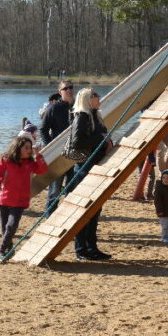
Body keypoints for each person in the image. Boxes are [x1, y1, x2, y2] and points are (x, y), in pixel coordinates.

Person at [67, 88, 112, 260]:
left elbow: (100, 136)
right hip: (84, 169)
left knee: (95, 210)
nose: (99, 97)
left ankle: (92, 248)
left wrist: (106, 139)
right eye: (95, 95)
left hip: (95, 167)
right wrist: (101, 138)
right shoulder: (82, 116)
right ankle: (81, 250)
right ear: (87, 99)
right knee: (84, 211)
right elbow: (78, 142)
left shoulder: (95, 115)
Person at [0, 136, 48, 259]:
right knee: (5, 228)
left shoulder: (31, 163)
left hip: (20, 200)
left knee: (11, 226)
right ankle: (9, 248)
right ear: (18, 148)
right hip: (4, 199)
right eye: (26, 148)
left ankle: (1, 250)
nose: (29, 150)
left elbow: (42, 170)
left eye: (30, 148)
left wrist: (38, 155)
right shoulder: (6, 160)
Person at [39, 80, 75, 214]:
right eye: (66, 88)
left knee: (73, 189)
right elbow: (43, 130)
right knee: (55, 191)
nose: (70, 90)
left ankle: (68, 218)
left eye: (71, 87)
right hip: (58, 154)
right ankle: (49, 216)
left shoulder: (79, 106)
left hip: (75, 153)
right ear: (60, 92)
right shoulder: (53, 108)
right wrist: (51, 147)